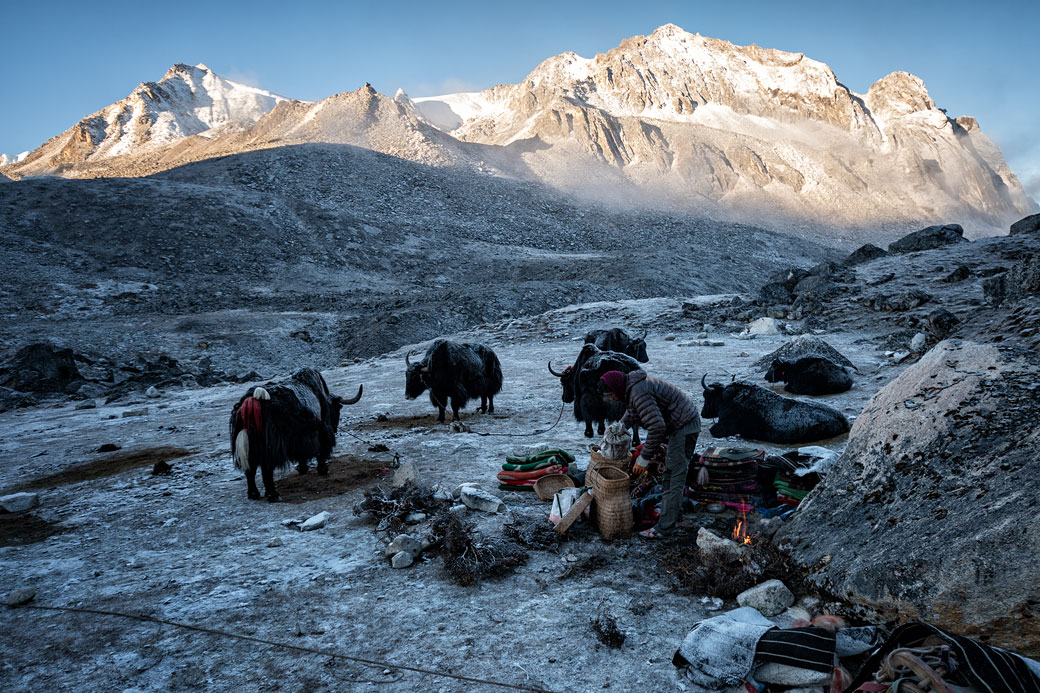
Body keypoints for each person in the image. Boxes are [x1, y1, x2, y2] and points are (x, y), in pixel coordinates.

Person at [599, 369, 700, 539]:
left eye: (610, 394)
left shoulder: (638, 392)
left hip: (684, 425)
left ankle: (664, 528)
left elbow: (657, 427)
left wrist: (643, 458)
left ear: (616, 388)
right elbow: (633, 410)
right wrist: (620, 427)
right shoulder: (633, 388)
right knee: (671, 473)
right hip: (680, 422)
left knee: (673, 474)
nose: (611, 398)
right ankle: (673, 513)